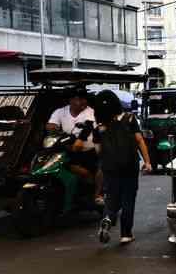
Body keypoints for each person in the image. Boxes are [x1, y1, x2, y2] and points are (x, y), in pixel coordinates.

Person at [92, 90, 151, 245]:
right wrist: (147, 162)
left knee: (111, 197)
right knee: (128, 199)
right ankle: (126, 233)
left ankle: (107, 218)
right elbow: (139, 141)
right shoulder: (130, 118)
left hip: (110, 167)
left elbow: (98, 151)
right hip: (130, 165)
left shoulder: (98, 127)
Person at [47, 91, 102, 204]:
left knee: (98, 169)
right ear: (71, 100)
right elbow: (51, 125)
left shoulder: (91, 112)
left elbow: (88, 127)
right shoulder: (60, 112)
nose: (83, 102)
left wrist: (80, 139)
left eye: (84, 99)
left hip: (88, 151)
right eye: (79, 99)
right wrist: (53, 128)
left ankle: (97, 194)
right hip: (66, 148)